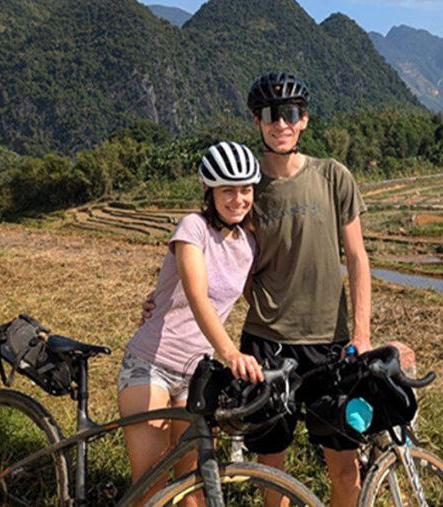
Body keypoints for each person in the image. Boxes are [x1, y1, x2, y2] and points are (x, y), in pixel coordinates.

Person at [144, 71, 372, 507]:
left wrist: (361, 333)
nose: (280, 123)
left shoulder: (333, 176)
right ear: (256, 121)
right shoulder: (246, 187)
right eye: (270, 114)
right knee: (272, 469)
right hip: (267, 346)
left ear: (303, 120)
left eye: (289, 113)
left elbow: (358, 257)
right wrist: (159, 299)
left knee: (345, 467)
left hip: (332, 344)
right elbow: (207, 249)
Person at [118, 141, 265, 506]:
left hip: (195, 376)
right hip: (150, 364)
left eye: (245, 189)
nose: (238, 199)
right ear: (208, 189)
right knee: (151, 486)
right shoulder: (193, 229)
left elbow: (258, 300)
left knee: (192, 486)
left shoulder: (249, 243)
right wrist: (230, 352)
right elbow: (198, 297)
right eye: (227, 190)